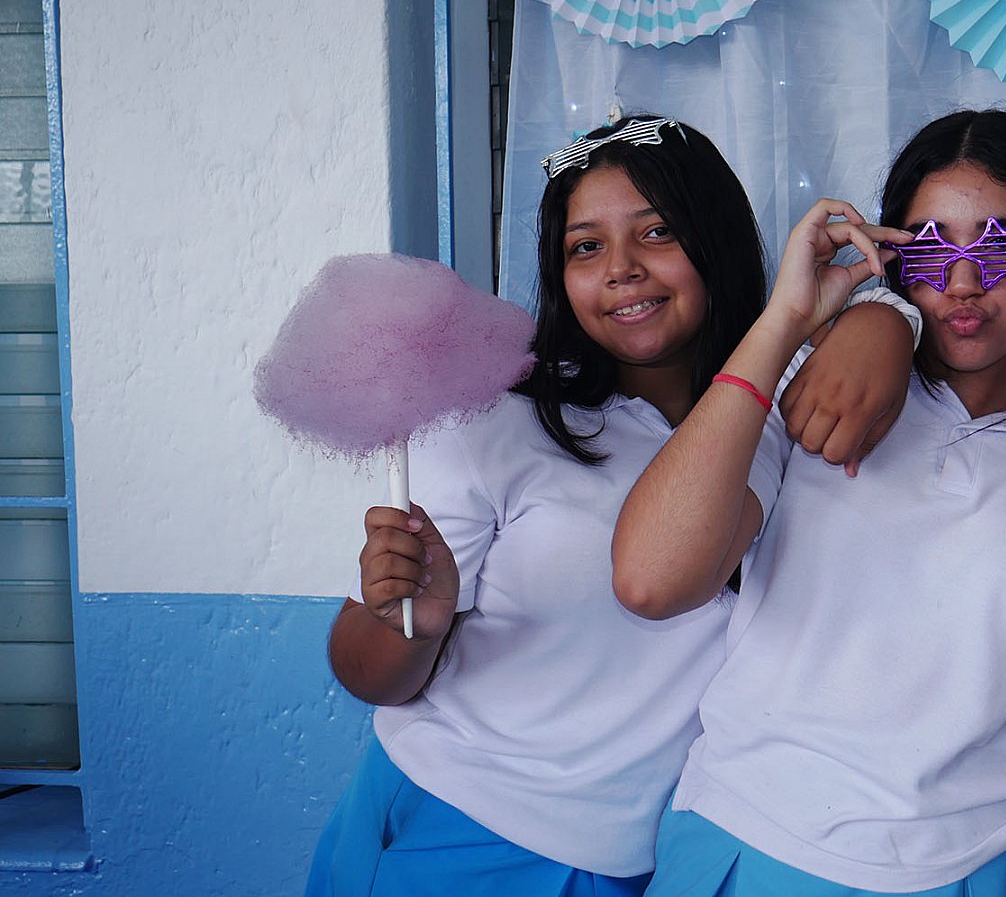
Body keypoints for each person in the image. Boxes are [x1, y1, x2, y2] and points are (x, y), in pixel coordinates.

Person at [305, 114, 910, 896]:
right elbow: (365, 670)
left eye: (657, 233)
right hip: (453, 829)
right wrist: (408, 621)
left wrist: (885, 315)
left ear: (717, 239)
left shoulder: (782, 410)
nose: (621, 269)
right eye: (585, 247)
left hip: (653, 860)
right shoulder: (494, 420)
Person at [612, 110, 1006, 896]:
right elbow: (650, 580)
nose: (963, 282)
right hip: (766, 838)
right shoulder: (811, 385)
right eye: (929, 246)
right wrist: (790, 321)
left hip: (1001, 859)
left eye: (1000, 246)